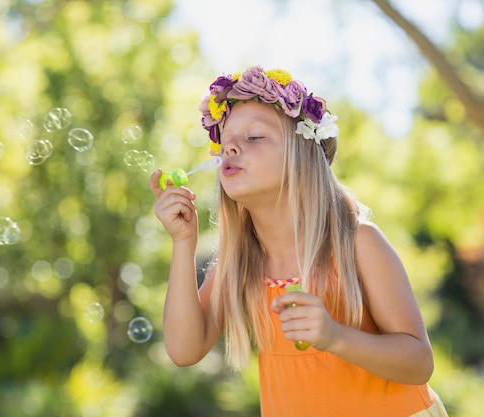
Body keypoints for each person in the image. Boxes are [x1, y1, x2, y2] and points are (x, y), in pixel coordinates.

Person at [150, 65, 448, 417]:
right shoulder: (240, 261)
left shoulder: (357, 244)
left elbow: (418, 362)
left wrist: (335, 337)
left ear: (302, 159)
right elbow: (184, 350)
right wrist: (183, 243)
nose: (230, 148)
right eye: (226, 141)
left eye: (254, 137)